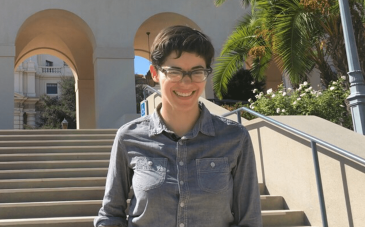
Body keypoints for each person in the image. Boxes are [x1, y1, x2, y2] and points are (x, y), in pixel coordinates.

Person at [94, 25, 262, 227]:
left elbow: (249, 220)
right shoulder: (128, 138)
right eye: (174, 71)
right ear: (155, 73)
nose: (186, 82)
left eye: (197, 71)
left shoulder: (235, 137)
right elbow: (110, 216)